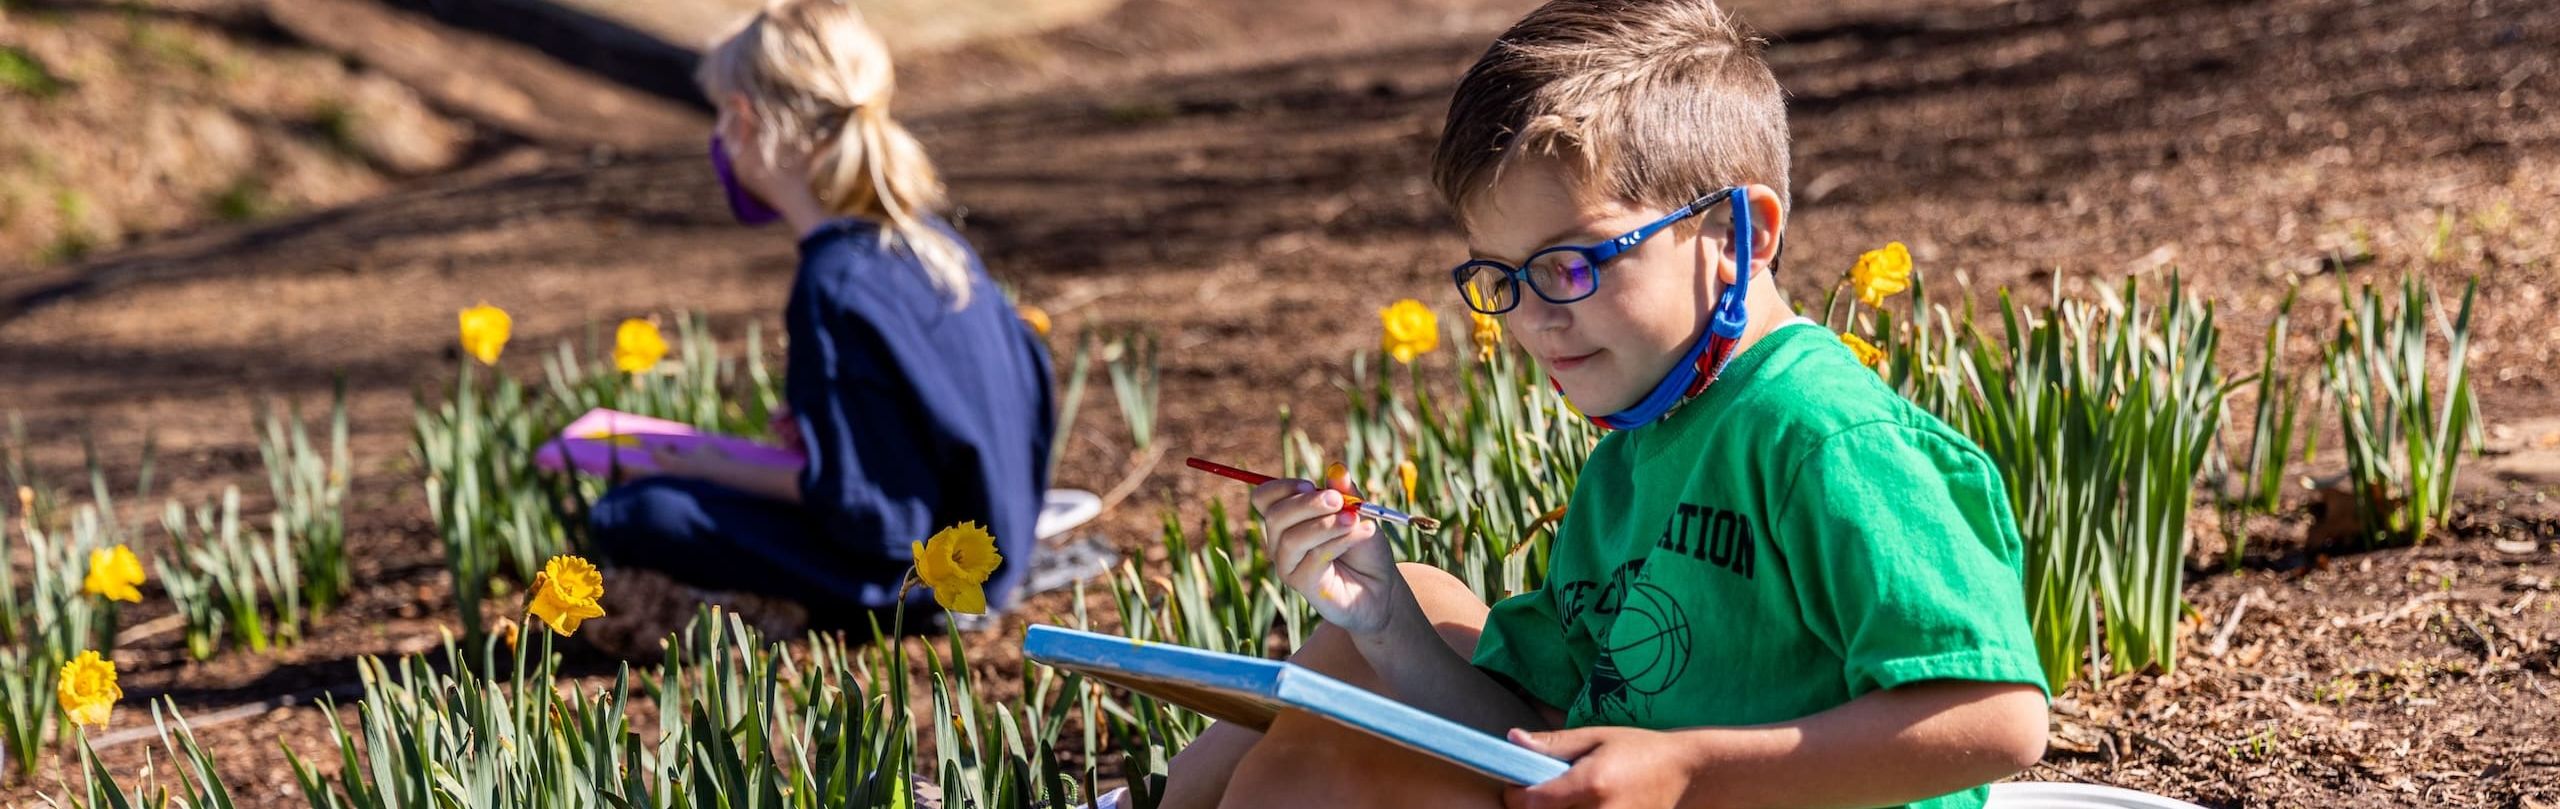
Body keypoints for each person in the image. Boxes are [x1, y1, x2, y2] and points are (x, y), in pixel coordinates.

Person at [1156, 2, 2049, 808]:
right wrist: (1384, 622)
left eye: (1571, 263)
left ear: (1741, 234)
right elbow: (1538, 727)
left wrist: (1690, 768)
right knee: (1410, 602)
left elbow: (1999, 720)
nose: (1535, 318)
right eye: (1499, 277)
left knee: (1326, 778)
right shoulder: (1639, 445)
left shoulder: (1822, 437)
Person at [584, 0, 1054, 640]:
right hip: (997, 549)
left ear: (744, 120)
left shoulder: (833, 284)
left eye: (720, 113)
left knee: (634, 513)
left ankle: (771, 611)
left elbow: (870, 518)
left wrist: (701, 465)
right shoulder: (934, 243)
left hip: (923, 581)